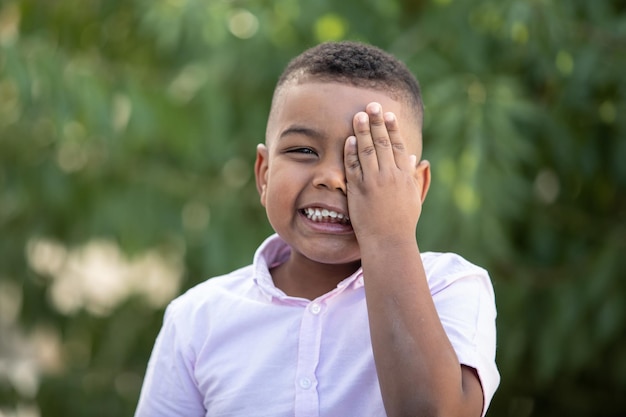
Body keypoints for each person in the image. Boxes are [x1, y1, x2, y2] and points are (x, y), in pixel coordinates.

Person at [134, 41, 500, 417]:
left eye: (367, 157)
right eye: (304, 151)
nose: (331, 177)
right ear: (263, 173)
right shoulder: (197, 318)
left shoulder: (451, 287)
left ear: (416, 188)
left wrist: (389, 234)